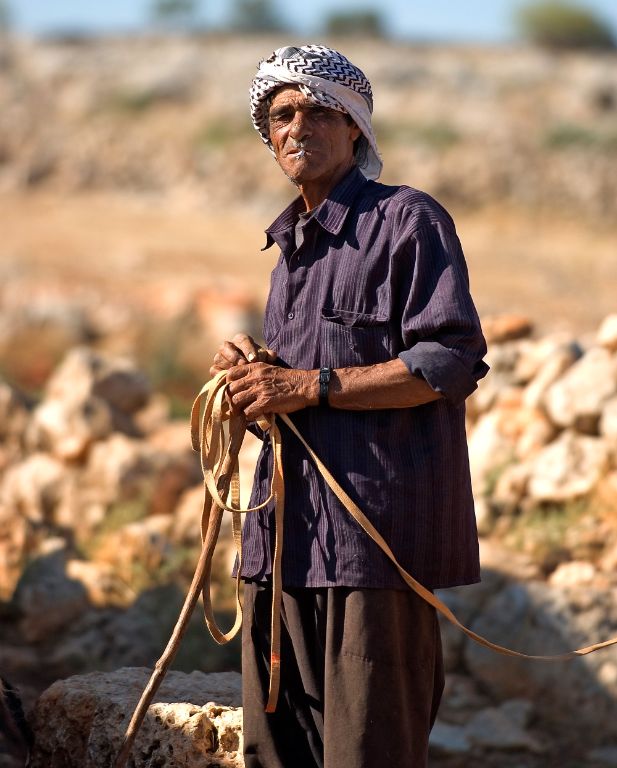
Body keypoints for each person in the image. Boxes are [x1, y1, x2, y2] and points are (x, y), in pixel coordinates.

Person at [209, 44, 489, 768]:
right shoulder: (289, 248)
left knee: (365, 755)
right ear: (267, 136)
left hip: (373, 548)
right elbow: (294, 388)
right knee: (276, 755)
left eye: (316, 111)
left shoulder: (407, 221)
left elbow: (449, 361)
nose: (296, 127)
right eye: (280, 115)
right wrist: (256, 382)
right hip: (281, 547)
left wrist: (311, 386)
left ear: (356, 128)